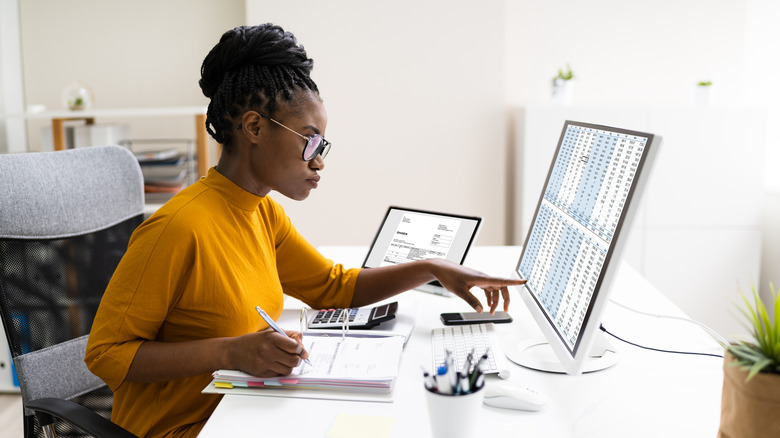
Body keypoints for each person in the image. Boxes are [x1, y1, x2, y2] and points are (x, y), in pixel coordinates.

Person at [85, 23, 525, 438]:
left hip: (242, 409)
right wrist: (230, 352)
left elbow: (334, 288)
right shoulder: (177, 229)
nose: (319, 161)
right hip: (185, 428)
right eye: (310, 140)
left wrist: (432, 267)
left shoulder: (262, 213)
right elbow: (106, 354)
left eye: (323, 145)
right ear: (255, 127)